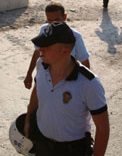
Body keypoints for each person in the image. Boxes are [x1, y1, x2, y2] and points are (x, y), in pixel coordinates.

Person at [24, 22, 109, 156]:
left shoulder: (89, 83)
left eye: (46, 46)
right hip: (42, 144)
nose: (40, 49)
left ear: (65, 51)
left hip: (73, 150)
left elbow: (103, 128)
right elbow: (37, 91)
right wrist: (28, 120)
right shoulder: (41, 64)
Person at [24, 2, 90, 89]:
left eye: (57, 19)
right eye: (50, 20)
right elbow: (37, 52)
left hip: (64, 83)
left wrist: (84, 86)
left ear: (65, 17)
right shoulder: (44, 30)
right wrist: (29, 74)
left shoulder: (75, 37)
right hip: (43, 79)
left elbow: (85, 63)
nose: (53, 23)